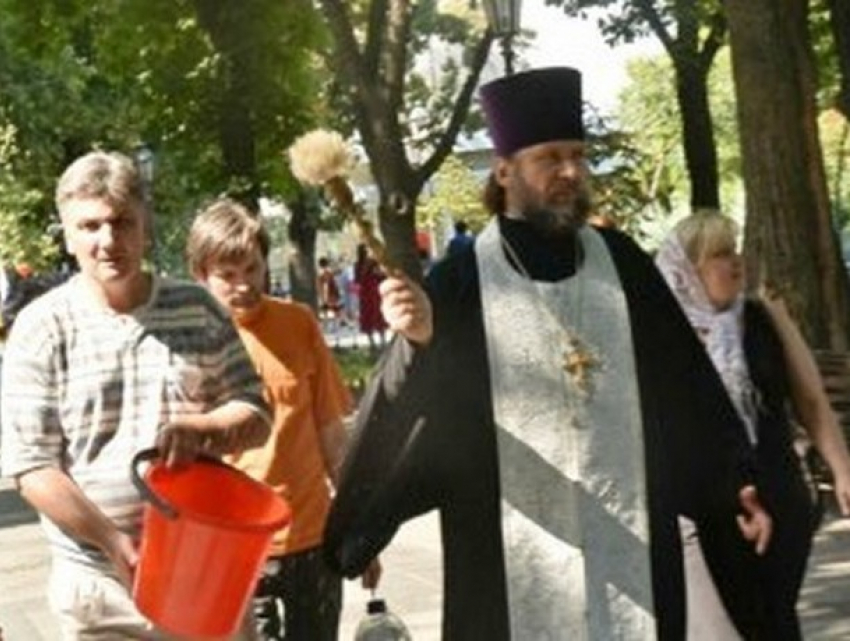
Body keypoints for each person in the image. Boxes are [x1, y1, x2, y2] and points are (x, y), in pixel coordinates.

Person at [323, 67, 773, 640]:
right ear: (506, 170)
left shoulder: (622, 262)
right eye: (551, 158)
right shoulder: (462, 280)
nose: (571, 172)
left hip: (631, 544)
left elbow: (685, 385)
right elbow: (422, 416)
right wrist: (421, 344)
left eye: (579, 157)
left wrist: (732, 480)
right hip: (509, 560)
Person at [0, 151, 271, 640]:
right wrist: (114, 543)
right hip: (100, 588)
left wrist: (206, 429)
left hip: (207, 572)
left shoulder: (199, 309)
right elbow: (31, 468)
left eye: (122, 222)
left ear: (145, 223)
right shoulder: (41, 328)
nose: (108, 241)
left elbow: (255, 411)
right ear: (67, 233)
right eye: (89, 226)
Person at [187, 199, 380, 641]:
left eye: (251, 269)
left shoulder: (299, 324)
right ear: (201, 275)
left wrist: (359, 524)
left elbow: (332, 432)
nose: (243, 285)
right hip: (237, 547)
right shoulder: (192, 342)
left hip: (312, 535)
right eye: (227, 275)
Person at [655, 212, 850, 640]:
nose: (736, 262)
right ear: (690, 267)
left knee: (776, 615)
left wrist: (842, 470)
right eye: (721, 254)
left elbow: (811, 400)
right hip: (708, 502)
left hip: (779, 492)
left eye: (736, 250)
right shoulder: (664, 335)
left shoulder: (762, 317)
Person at [354, 243, 387, 351]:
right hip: (366, 293)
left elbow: (382, 275)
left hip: (375, 292)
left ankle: (382, 341)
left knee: (378, 315)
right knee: (367, 315)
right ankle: (372, 342)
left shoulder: (375, 262)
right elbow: (357, 279)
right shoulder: (359, 264)